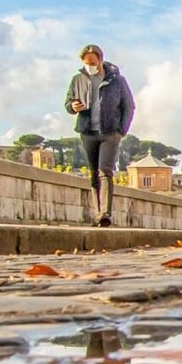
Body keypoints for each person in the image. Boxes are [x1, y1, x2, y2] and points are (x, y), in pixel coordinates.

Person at [64, 44, 135, 227]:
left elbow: (129, 106)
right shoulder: (77, 79)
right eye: (86, 64)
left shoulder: (117, 81)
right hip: (87, 132)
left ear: (101, 60)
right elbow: (67, 103)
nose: (90, 67)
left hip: (110, 133)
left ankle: (105, 213)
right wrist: (73, 107)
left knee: (105, 171)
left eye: (93, 63)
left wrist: (121, 130)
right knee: (94, 174)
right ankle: (97, 213)